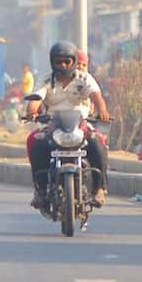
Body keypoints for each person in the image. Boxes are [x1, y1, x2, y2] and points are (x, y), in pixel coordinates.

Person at [23, 41, 113, 207]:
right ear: (52, 62)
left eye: (67, 61)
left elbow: (96, 96)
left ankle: (100, 188)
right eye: (59, 62)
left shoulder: (84, 78)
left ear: (74, 62)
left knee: (98, 141)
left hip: (81, 124)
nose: (63, 65)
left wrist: (103, 112)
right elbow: (36, 99)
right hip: (53, 125)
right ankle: (40, 189)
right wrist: (32, 112)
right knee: (34, 141)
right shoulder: (45, 80)